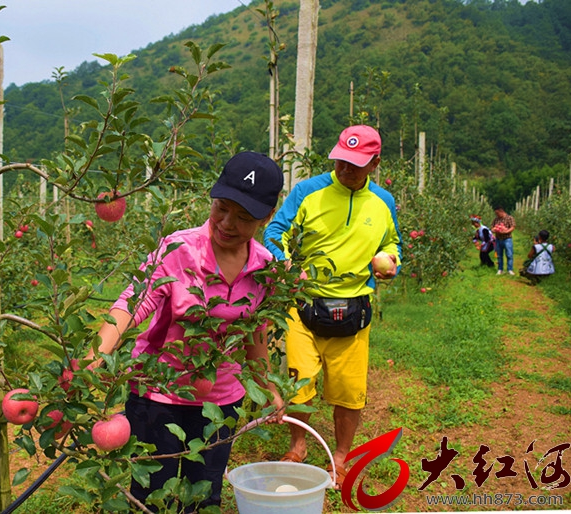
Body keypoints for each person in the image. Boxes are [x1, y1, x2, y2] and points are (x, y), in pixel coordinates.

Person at [87, 151, 285, 511]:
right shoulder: (179, 249)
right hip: (157, 391)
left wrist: (267, 385)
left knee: (204, 495)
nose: (226, 223)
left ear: (266, 218)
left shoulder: (264, 269)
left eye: (243, 217)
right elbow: (134, 302)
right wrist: (96, 355)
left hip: (221, 400)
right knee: (149, 491)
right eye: (221, 208)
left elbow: (256, 334)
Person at [263, 125, 402, 489]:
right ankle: (298, 445)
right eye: (341, 161)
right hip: (304, 304)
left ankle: (339, 457)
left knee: (348, 390)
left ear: (375, 163)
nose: (345, 170)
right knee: (299, 382)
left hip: (354, 307)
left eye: (356, 164)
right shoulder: (308, 191)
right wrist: (287, 264)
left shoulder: (384, 202)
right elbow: (274, 232)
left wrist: (390, 262)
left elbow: (393, 244)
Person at [491, 206, 516, 275]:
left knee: (509, 254)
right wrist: (494, 229)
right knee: (499, 255)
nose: (497, 215)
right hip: (498, 239)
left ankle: (510, 269)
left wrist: (506, 231)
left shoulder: (509, 218)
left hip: (507, 238)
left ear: (501, 211)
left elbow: (513, 226)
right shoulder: (496, 219)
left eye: (498, 213)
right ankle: (500, 269)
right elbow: (492, 227)